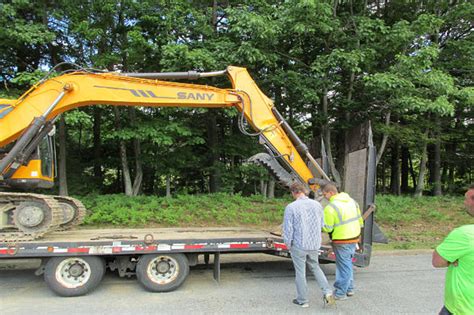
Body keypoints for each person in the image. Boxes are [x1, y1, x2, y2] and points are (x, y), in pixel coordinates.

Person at [282, 182, 335, 308]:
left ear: (293, 192)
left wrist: (288, 244)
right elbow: (323, 224)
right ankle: (327, 292)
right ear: (305, 191)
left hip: (299, 244)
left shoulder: (291, 207)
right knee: (315, 267)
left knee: (300, 272)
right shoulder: (317, 205)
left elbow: (288, 229)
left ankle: (303, 300)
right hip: (314, 244)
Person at [432, 185, 474, 315]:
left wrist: (452, 260)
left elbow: (437, 261)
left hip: (462, 309)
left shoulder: (465, 235)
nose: (464, 202)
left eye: (466, 199)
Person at [321, 182, 363, 300]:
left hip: (341, 240)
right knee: (347, 263)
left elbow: (327, 228)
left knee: (343, 266)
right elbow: (360, 221)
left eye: (325, 195)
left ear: (331, 192)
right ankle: (349, 289)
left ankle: (340, 292)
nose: (325, 197)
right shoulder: (352, 202)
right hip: (354, 237)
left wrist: (320, 225)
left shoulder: (331, 207)